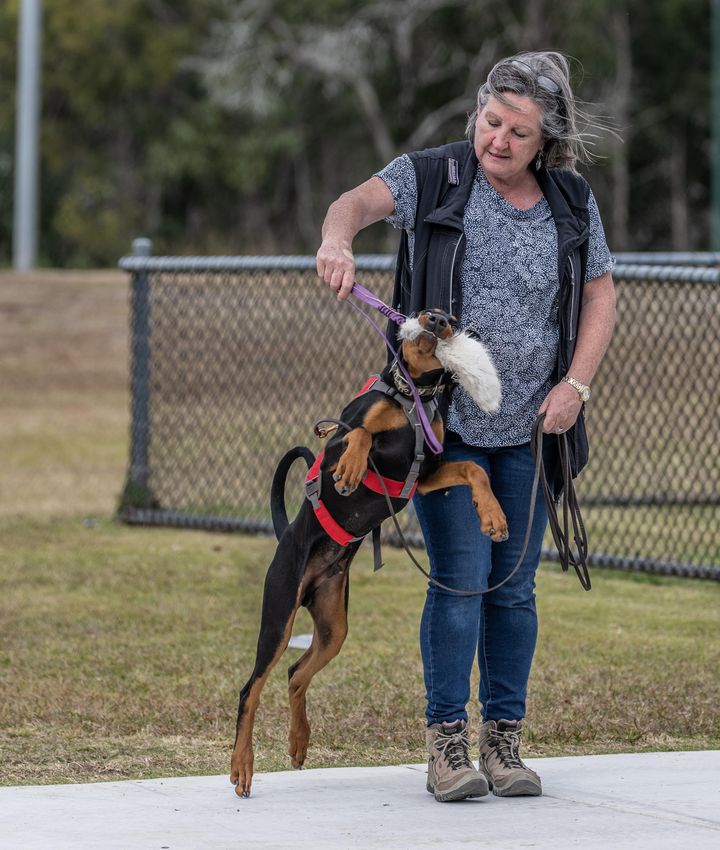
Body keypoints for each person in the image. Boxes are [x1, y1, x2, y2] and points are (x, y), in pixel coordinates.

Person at [315, 51, 616, 802]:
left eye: (519, 131)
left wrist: (575, 385)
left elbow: (602, 295)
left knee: (514, 591)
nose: (500, 140)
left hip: (530, 433)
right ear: (476, 115)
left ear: (545, 139)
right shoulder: (435, 177)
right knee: (460, 583)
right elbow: (354, 201)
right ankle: (446, 746)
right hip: (442, 429)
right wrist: (338, 240)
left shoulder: (571, 202)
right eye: (492, 122)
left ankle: (504, 743)